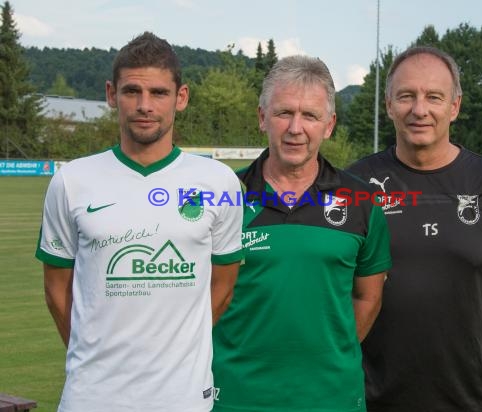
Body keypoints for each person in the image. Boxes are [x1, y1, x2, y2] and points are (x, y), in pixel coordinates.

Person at [35, 32, 243, 412]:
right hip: (91, 397)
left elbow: (223, 288)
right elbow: (56, 290)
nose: (145, 105)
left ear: (181, 98)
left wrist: (178, 349)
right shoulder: (71, 181)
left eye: (159, 93)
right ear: (112, 94)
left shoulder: (218, 182)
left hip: (183, 399)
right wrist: (93, 356)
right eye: (132, 91)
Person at [347, 46, 482, 412]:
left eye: (433, 97)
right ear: (389, 105)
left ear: (454, 106)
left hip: (470, 399)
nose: (419, 109)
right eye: (406, 96)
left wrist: (475, 343)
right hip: (370, 399)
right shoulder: (355, 184)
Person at [211, 55, 392, 412]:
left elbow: (368, 298)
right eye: (283, 113)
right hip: (234, 397)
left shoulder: (362, 201)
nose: (296, 128)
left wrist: (328, 354)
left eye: (310, 115)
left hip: (331, 398)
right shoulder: (223, 195)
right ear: (263, 118)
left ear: (329, 125)